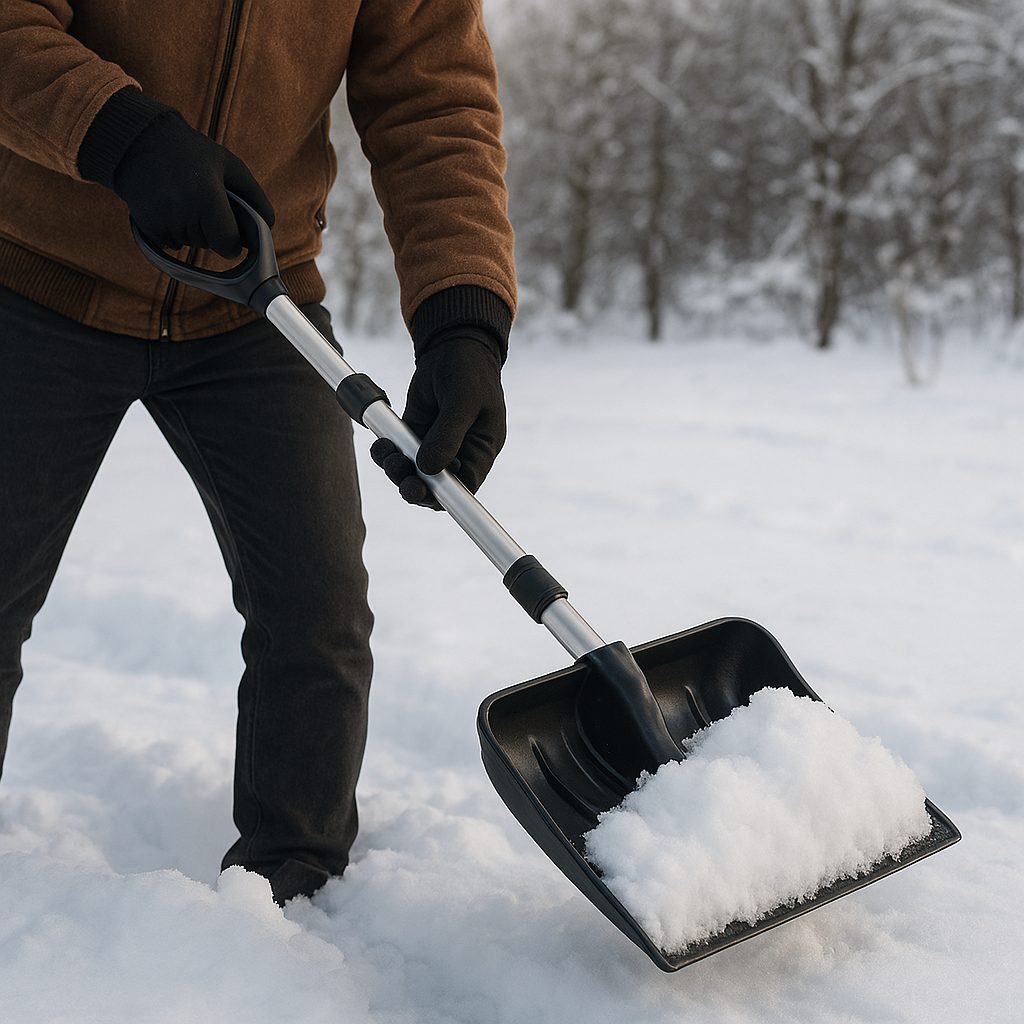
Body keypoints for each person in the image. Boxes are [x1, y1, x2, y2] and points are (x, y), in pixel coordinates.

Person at [0, 1, 516, 905]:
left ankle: (295, 898)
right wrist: (123, 134)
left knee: (316, 617)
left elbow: (433, 104)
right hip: (34, 273)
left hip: (251, 298)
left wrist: (461, 318)